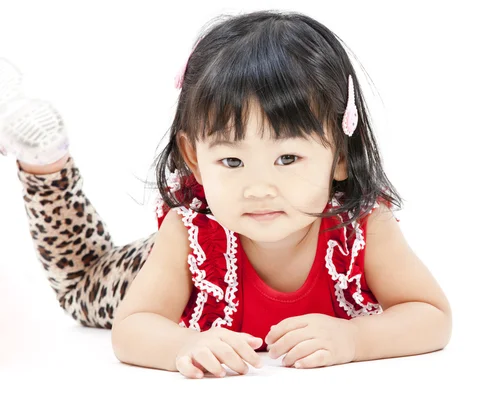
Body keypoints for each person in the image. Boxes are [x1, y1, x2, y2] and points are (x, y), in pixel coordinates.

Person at [0, 10, 452, 379]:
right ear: (194, 158)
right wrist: (186, 343)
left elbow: (431, 315)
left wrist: (356, 340)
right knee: (82, 279)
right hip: (156, 269)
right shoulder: (189, 233)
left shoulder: (363, 229)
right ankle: (46, 163)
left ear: (339, 158)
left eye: (288, 159)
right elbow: (130, 329)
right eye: (232, 162)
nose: (257, 189)